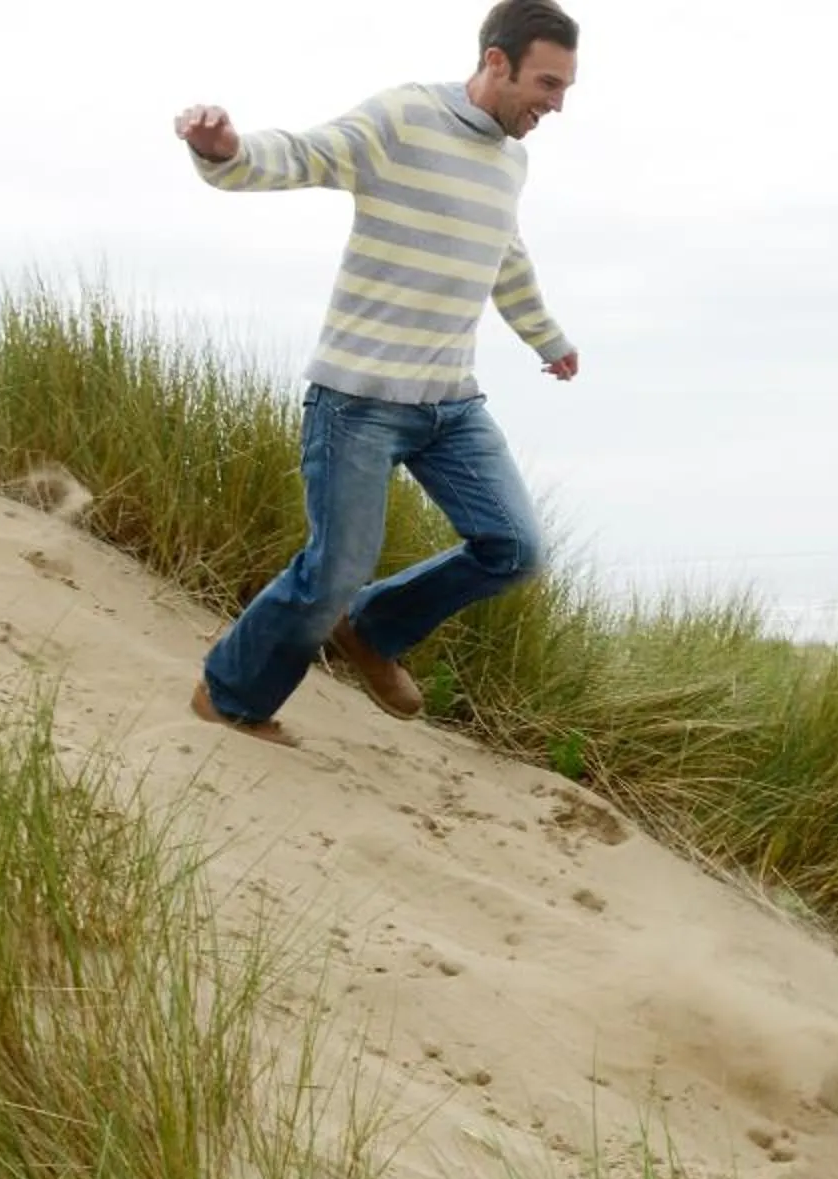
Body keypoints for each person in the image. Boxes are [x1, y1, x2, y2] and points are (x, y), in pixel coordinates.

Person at [171, 0, 584, 748]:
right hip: (358, 399)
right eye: (548, 84)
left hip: (451, 406)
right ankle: (229, 699)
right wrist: (225, 151)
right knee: (333, 567)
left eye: (564, 90)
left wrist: (545, 337)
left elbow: (505, 256)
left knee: (515, 548)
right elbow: (306, 153)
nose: (555, 105)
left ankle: (369, 628)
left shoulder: (512, 163)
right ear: (497, 62)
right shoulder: (403, 118)